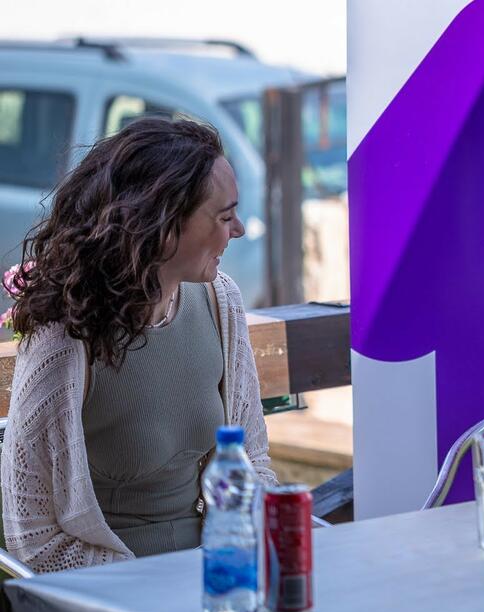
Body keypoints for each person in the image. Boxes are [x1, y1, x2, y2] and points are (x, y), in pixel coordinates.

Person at [1, 117, 277, 573]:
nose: (240, 229)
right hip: (108, 592)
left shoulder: (221, 303)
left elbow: (254, 462)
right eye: (224, 217)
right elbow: (34, 538)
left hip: (216, 574)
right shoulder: (65, 338)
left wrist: (237, 555)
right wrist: (146, 588)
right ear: (163, 224)